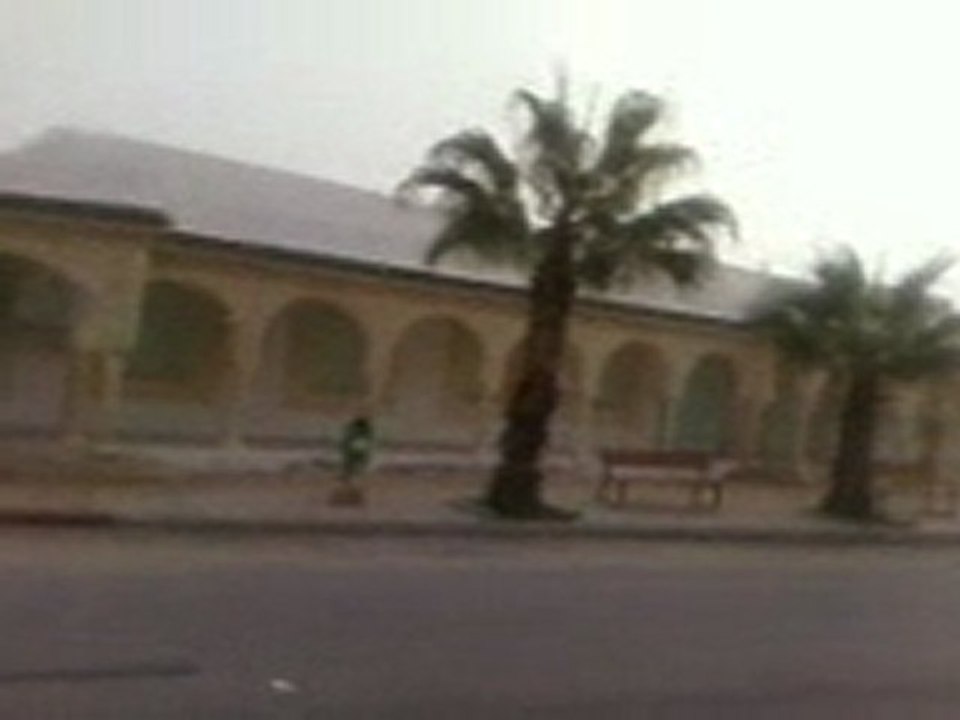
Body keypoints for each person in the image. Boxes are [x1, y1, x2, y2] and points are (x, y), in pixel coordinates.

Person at [338, 415, 374, 483]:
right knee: (354, 462)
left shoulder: (359, 433)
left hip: (356, 449)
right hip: (356, 449)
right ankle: (351, 475)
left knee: (354, 462)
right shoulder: (360, 433)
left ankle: (351, 475)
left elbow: (346, 441)